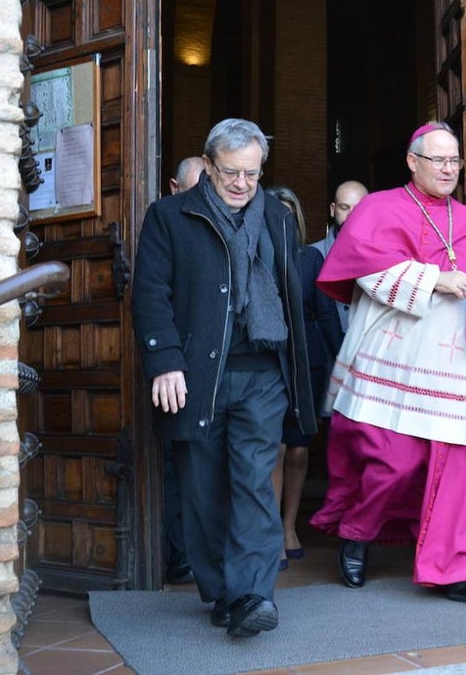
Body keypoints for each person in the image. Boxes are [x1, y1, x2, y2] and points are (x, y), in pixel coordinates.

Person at [309, 121, 466, 610]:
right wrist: (434, 281)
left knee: (459, 470)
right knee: (393, 462)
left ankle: (461, 567)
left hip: (454, 363)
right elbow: (360, 270)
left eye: (454, 161)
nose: (448, 169)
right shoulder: (379, 207)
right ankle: (356, 533)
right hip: (395, 360)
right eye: (438, 160)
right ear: (412, 161)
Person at [132, 119, 317, 639]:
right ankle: (222, 592)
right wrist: (164, 359)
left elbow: (286, 293)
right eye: (231, 172)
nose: (241, 183)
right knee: (202, 488)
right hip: (198, 374)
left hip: (263, 372)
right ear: (209, 166)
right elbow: (150, 294)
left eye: (252, 174)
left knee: (255, 482)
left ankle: (254, 593)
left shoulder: (278, 218)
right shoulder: (170, 216)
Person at [264, 186, 343, 571]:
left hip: (307, 364)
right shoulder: (255, 256)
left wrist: (345, 360)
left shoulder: (310, 258)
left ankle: (288, 526)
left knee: (298, 450)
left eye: (287, 213)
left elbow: (327, 314)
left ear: (295, 218)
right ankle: (271, 536)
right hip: (268, 364)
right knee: (275, 449)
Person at [160, 154, 207, 586]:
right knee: (175, 464)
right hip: (173, 367)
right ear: (175, 188)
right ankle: (178, 554)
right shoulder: (164, 223)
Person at [310, 180, 368, 333]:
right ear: (332, 209)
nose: (352, 215)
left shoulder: (385, 256)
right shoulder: (310, 256)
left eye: (359, 208)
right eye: (345, 207)